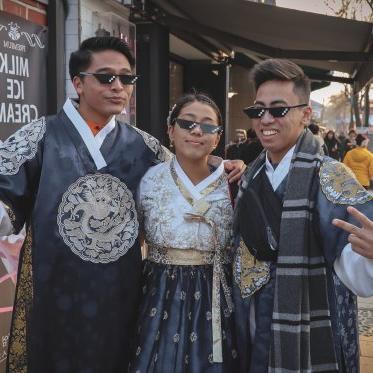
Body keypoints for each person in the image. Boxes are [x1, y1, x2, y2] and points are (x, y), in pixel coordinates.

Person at [0, 37, 244, 373]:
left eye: (126, 78)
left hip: (124, 299)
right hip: (55, 294)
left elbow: (186, 175)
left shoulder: (144, 147)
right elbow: (5, 197)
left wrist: (223, 167)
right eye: (106, 77)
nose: (118, 87)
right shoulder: (40, 136)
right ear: (78, 83)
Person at [234, 58, 373, 373]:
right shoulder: (250, 175)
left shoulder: (331, 176)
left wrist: (370, 255)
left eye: (278, 109)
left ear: (305, 114)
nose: (265, 119)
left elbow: (360, 276)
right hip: (255, 318)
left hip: (308, 323)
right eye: (258, 110)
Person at [129, 93, 239, 373]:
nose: (197, 131)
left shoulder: (234, 183)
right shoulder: (149, 179)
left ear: (217, 137)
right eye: (187, 123)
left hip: (218, 291)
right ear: (170, 130)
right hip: (160, 289)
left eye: (208, 126)